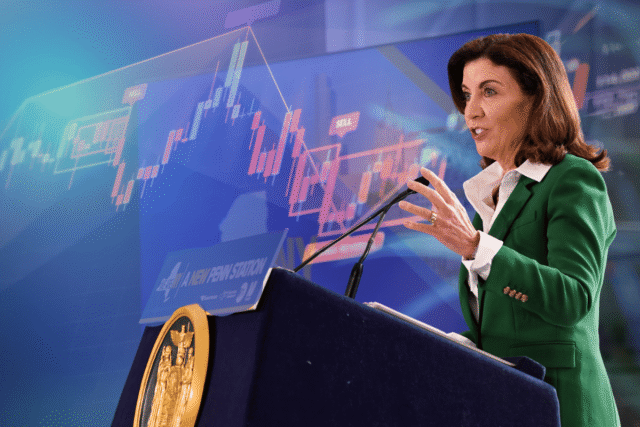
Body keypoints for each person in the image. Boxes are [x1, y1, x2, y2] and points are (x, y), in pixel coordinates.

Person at [398, 33, 620, 427]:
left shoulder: (572, 179)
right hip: (512, 405)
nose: (471, 112)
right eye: (467, 95)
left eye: (489, 92)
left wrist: (476, 246)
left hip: (564, 406)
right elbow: (509, 324)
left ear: (536, 98)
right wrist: (448, 347)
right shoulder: (494, 196)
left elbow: (573, 298)